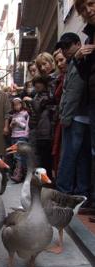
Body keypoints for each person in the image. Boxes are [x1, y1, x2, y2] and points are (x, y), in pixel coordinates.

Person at [55, 32, 91, 198]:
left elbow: (72, 93)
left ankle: (64, 192)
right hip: (85, 116)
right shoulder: (77, 61)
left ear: (78, 43)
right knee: (82, 157)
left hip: (76, 116)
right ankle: (81, 192)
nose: (65, 50)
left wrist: (65, 117)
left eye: (67, 46)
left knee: (69, 156)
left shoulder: (77, 61)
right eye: (63, 47)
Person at [74, 0, 95, 220]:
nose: (88, 11)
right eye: (83, 9)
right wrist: (79, 60)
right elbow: (86, 74)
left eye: (91, 4)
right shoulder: (89, 36)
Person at [27, 75, 55, 178]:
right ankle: (40, 179)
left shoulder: (47, 96)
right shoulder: (37, 95)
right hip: (37, 129)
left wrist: (30, 101)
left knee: (45, 158)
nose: (37, 85)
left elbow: (38, 109)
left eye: (39, 83)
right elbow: (34, 112)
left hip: (45, 131)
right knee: (38, 156)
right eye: (35, 84)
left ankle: (46, 179)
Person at [52, 49, 67, 176]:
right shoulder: (59, 78)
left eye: (61, 60)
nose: (59, 64)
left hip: (68, 118)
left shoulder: (69, 76)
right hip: (60, 119)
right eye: (57, 62)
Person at [10, 97, 29, 183]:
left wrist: (18, 122)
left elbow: (25, 126)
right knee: (15, 156)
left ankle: (19, 174)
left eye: (18, 104)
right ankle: (19, 173)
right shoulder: (14, 115)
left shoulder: (25, 113)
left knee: (20, 156)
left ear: (21, 104)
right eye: (14, 105)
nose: (16, 106)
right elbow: (11, 126)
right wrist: (12, 124)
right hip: (14, 136)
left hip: (22, 136)